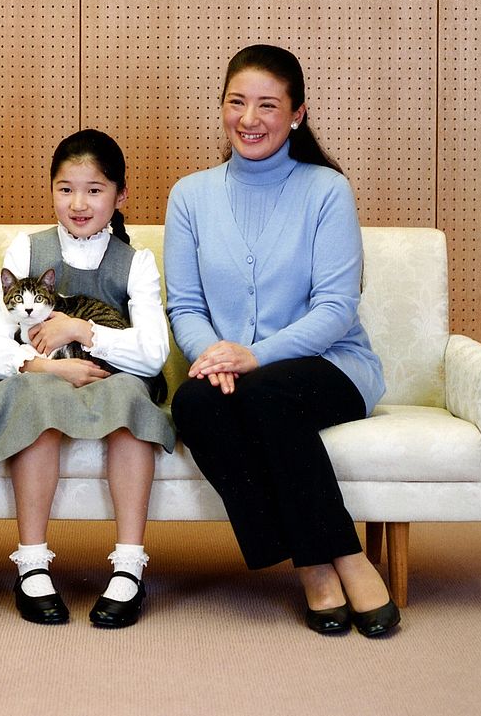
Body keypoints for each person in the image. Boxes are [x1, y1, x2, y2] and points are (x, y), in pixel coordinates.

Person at [164, 44, 400, 637]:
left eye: (268, 105)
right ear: (221, 108)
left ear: (296, 114)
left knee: (265, 394)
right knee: (192, 405)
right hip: (235, 373)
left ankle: (342, 558)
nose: (250, 118)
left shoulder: (326, 191)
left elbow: (337, 309)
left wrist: (254, 355)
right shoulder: (190, 195)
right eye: (237, 102)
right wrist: (215, 357)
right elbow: (186, 307)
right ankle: (312, 558)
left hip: (331, 365)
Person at [0, 129, 175, 628]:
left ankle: (129, 567)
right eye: (65, 188)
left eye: (94, 190)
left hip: (111, 377)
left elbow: (153, 354)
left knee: (129, 395)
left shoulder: (136, 262)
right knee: (38, 392)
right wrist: (49, 365)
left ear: (120, 196)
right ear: (51, 189)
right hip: (44, 375)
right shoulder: (26, 249)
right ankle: (31, 565)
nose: (78, 203)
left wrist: (81, 331)